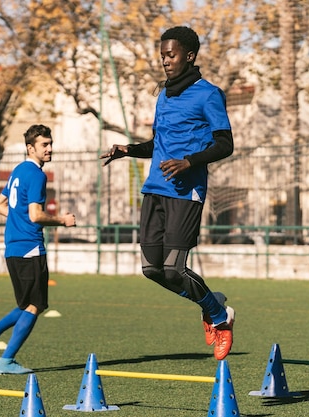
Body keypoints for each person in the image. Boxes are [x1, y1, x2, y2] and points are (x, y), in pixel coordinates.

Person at [100, 26, 235, 360]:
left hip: (185, 193)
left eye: (171, 55)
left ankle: (220, 318)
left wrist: (189, 161)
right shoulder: (163, 95)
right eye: (162, 55)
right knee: (152, 270)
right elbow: (157, 145)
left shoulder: (208, 94)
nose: (165, 61)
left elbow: (225, 144)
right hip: (154, 191)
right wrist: (127, 150)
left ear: (189, 56)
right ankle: (211, 302)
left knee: (175, 268)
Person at [0, 124, 76, 374]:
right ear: (30, 148)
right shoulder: (36, 174)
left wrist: (19, 217)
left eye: (50, 143)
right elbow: (35, 215)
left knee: (29, 304)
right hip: (30, 247)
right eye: (44, 145)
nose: (49, 148)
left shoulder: (18, 171)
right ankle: (6, 360)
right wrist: (62, 220)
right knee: (35, 306)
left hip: (13, 247)